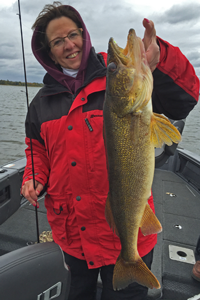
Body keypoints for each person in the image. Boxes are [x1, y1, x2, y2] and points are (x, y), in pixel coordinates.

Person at [21, 2, 199, 300]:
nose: (69, 44)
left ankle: (131, 263)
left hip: (123, 232)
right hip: (73, 234)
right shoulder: (41, 103)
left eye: (73, 34)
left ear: (84, 35)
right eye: (58, 41)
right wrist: (33, 174)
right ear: (48, 52)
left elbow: (186, 98)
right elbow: (36, 147)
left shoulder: (121, 81)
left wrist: (161, 59)